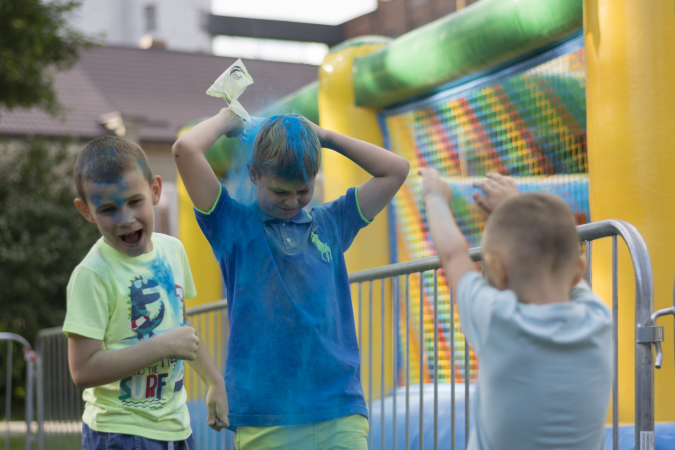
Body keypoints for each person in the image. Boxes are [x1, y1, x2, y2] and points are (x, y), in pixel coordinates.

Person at [172, 109, 410, 449]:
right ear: (254, 174)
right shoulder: (234, 226)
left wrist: (324, 136)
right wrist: (227, 119)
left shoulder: (331, 223)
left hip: (339, 410)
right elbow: (185, 151)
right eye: (280, 191)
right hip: (265, 417)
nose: (292, 200)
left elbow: (395, 169)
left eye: (303, 189)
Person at [419, 170, 612, 450]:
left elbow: (452, 254)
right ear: (579, 270)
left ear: (495, 269)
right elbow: (562, 258)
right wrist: (519, 207)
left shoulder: (497, 319)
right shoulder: (599, 318)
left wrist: (434, 197)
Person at [64, 136, 228, 450]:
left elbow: (182, 331)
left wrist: (214, 381)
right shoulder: (93, 275)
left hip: (176, 427)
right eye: (109, 209)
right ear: (86, 211)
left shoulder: (173, 250)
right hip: (120, 432)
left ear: (154, 191)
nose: (126, 219)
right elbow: (82, 370)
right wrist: (162, 346)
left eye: (134, 201)